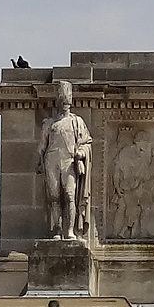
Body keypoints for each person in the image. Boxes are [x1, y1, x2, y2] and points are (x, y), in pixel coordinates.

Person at [36, 80, 93, 239]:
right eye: (63, 101)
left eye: (67, 101)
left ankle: (69, 231)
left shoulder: (77, 121)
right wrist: (39, 161)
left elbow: (86, 142)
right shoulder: (49, 123)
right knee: (54, 197)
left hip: (69, 161)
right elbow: (42, 145)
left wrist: (81, 153)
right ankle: (58, 229)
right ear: (59, 102)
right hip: (51, 160)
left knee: (69, 195)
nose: (65, 104)